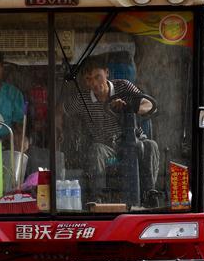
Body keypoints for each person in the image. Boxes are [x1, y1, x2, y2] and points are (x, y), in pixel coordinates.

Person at [64, 57, 159, 204]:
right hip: (110, 154)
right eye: (89, 79)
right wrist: (58, 126)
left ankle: (150, 193)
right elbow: (61, 111)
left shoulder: (124, 87)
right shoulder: (82, 99)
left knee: (151, 145)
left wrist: (129, 108)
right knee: (96, 149)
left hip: (135, 146)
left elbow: (148, 104)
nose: (94, 83)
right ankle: (98, 198)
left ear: (107, 73)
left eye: (98, 77)